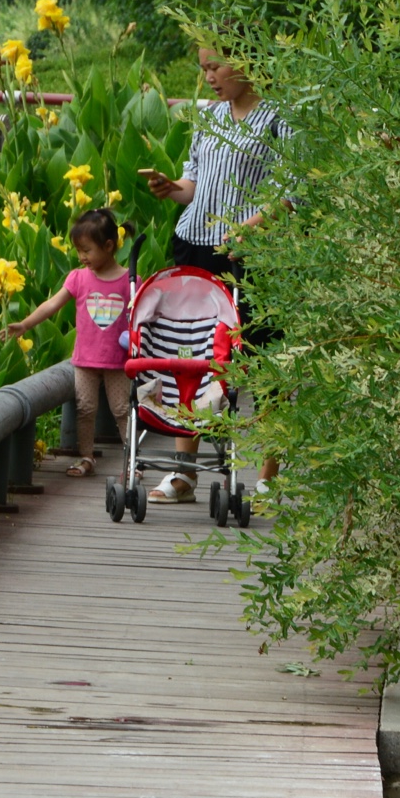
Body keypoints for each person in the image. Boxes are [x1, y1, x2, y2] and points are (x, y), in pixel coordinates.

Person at [142, 47, 289, 502]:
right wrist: (172, 189)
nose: (208, 76)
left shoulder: (279, 117)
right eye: (203, 67)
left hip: (254, 252)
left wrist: (249, 227)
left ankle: (269, 476)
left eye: (215, 67)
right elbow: (194, 185)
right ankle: (185, 474)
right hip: (196, 246)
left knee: (264, 356)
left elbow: (291, 190)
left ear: (247, 61)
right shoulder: (209, 115)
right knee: (192, 351)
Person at [0, 208, 134, 477]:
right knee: (85, 409)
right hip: (85, 359)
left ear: (109, 246)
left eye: (87, 250)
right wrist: (26, 324)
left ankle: (132, 461)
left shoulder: (129, 281)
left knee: (122, 409)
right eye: (79, 250)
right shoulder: (79, 277)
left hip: (118, 361)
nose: (81, 256)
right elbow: (52, 304)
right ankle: (86, 457)